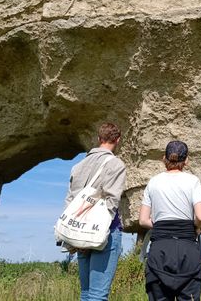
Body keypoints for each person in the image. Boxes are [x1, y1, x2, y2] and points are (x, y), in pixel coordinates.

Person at [63, 123, 127, 301]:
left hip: (80, 230)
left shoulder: (78, 166)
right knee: (98, 295)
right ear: (118, 140)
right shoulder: (116, 164)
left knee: (86, 292)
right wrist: (101, 228)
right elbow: (112, 201)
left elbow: (69, 201)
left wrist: (70, 235)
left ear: (99, 139)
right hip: (103, 232)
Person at [139, 140, 201, 301]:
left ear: (164, 158)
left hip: (160, 248)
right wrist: (196, 228)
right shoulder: (193, 181)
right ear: (186, 161)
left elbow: (143, 220)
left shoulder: (153, 182)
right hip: (187, 248)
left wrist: (160, 226)